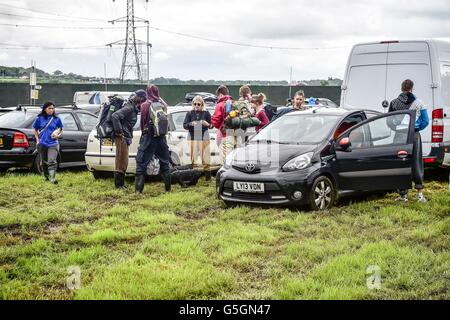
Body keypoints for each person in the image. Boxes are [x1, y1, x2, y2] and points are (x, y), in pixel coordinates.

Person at [389, 79, 429, 202]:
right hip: (413, 135)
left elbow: (389, 121)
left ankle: (402, 195)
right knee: (416, 162)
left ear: (402, 88)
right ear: (412, 88)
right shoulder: (419, 103)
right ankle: (420, 195)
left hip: (399, 135)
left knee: (401, 163)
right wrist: (416, 128)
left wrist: (396, 128)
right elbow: (426, 121)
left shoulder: (394, 103)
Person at [135, 84, 171, 193]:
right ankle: (168, 190)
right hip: (161, 138)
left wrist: (144, 134)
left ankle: (138, 192)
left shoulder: (145, 105)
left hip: (149, 137)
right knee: (165, 164)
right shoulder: (162, 105)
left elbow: (142, 123)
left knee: (141, 164)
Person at [111, 89, 147, 189]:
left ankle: (121, 184)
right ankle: (119, 185)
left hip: (125, 137)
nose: (144, 102)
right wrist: (120, 132)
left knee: (123, 160)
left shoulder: (132, 107)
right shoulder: (129, 108)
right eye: (143, 99)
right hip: (122, 137)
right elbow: (115, 116)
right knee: (121, 161)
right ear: (139, 98)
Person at [33, 101, 64, 184]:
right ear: (45, 109)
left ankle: (52, 178)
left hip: (53, 143)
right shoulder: (39, 118)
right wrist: (37, 140)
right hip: (42, 143)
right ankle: (46, 177)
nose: (51, 110)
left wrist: (58, 135)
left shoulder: (57, 119)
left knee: (52, 161)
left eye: (53, 108)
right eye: (49, 108)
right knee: (43, 162)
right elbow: (35, 130)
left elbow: (61, 129)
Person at [183, 95, 213, 181]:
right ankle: (194, 178)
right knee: (194, 158)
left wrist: (207, 124)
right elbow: (184, 125)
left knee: (205, 157)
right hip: (192, 137)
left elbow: (211, 126)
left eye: (198, 104)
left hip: (204, 136)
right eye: (195, 104)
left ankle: (208, 178)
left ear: (202, 105)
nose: (196, 105)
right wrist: (191, 124)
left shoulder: (206, 113)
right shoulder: (189, 113)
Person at [211, 85, 237, 164]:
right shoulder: (234, 103)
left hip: (224, 134)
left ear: (221, 95)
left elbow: (216, 121)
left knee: (224, 159)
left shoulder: (221, 104)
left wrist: (212, 121)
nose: (217, 98)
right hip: (235, 134)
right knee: (232, 158)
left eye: (217, 96)